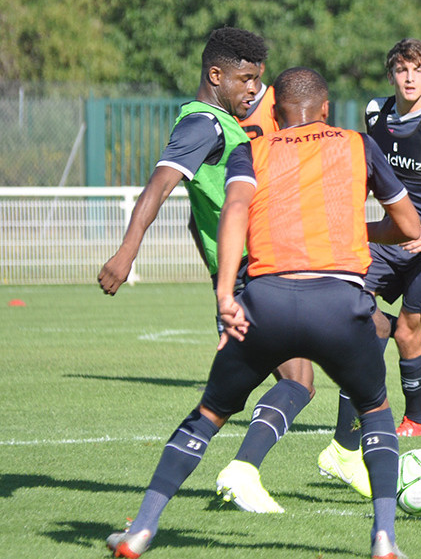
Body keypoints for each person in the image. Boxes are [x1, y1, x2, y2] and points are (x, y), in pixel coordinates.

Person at [105, 66, 421, 559]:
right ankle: (384, 540)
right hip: (339, 304)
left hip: (265, 301)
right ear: (325, 110)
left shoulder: (249, 149)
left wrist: (227, 293)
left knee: (208, 415)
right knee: (376, 411)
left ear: (273, 112)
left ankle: (141, 529)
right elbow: (408, 226)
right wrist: (356, 232)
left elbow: (233, 213)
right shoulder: (359, 144)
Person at [95, 28, 319, 514]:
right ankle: (240, 473)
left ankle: (229, 478)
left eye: (257, 81)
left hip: (255, 274)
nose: (252, 92)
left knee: (290, 380)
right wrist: (126, 253)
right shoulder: (204, 125)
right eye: (245, 80)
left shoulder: (223, 124)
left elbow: (197, 215)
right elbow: (160, 186)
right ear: (215, 75)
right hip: (252, 277)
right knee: (293, 381)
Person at [315, 39, 421, 497]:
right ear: (392, 75)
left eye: (417, 70)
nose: (409, 77)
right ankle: (403, 336)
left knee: (409, 333)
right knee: (349, 308)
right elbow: (369, 167)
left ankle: (415, 419)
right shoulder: (375, 114)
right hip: (391, 238)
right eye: (401, 69)